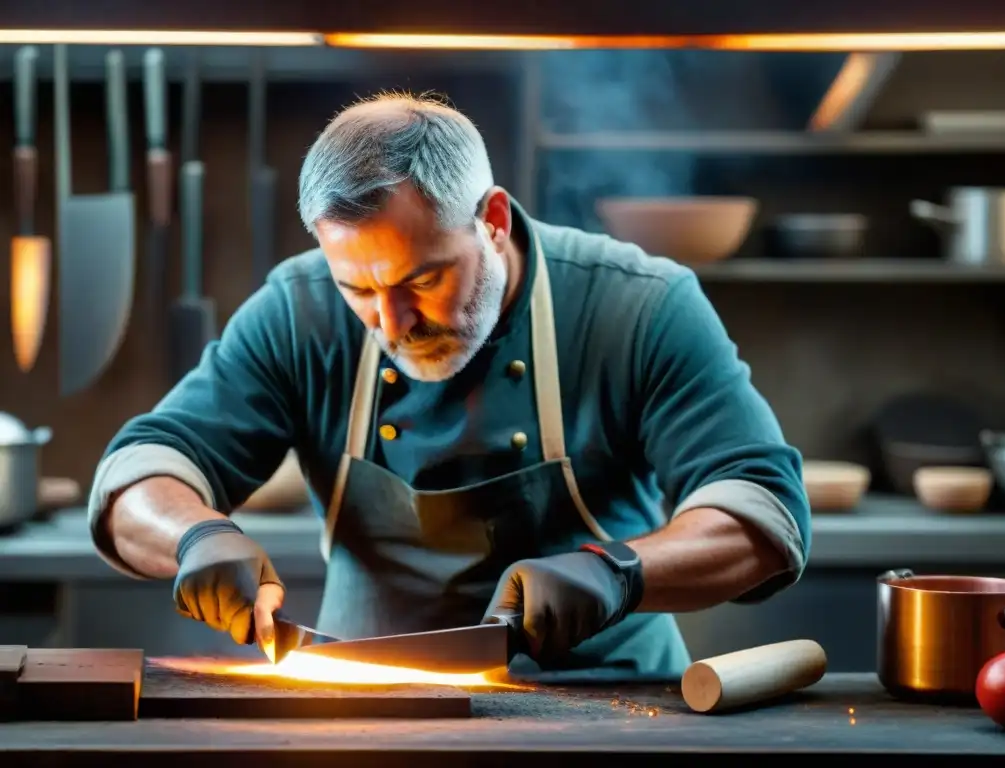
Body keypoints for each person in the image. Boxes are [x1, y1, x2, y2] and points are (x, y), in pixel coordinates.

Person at [88, 92, 810, 681]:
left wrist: (617, 570)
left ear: (493, 221)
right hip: (368, 714)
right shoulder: (298, 308)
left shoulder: (639, 306)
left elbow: (763, 510)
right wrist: (198, 536)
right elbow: (140, 471)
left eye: (423, 280)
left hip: (610, 709)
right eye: (357, 289)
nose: (392, 323)